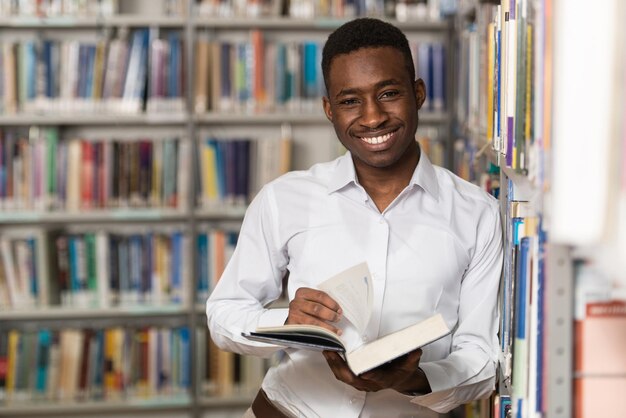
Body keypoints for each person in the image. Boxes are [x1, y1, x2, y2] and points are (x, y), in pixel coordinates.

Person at [206, 17, 503, 418]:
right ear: (330, 109)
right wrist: (285, 321)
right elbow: (224, 314)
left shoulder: (478, 214)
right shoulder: (284, 198)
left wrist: (413, 379)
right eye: (350, 101)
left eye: (389, 93)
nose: (372, 117)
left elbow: (483, 358)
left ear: (418, 93)